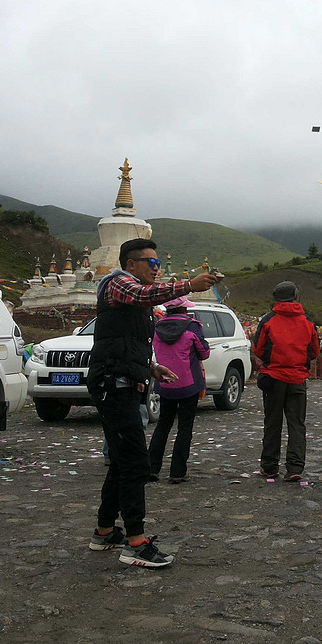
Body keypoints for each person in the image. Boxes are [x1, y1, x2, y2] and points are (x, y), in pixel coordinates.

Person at [86, 239, 221, 569]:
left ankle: (104, 531)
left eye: (159, 263)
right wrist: (188, 285)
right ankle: (136, 541)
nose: (156, 268)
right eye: (151, 263)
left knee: (122, 459)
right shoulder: (118, 282)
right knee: (135, 462)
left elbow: (123, 341)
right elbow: (145, 295)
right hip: (112, 384)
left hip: (126, 381)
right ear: (131, 264)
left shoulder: (136, 299)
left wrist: (149, 368)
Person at [251, 281, 320, 482]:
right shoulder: (307, 321)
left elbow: (259, 349)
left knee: (272, 423)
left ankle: (270, 467)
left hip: (273, 379)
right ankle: (295, 467)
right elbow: (315, 351)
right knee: (296, 423)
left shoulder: (268, 320)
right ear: (295, 296)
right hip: (298, 379)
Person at [147, 297, 210, 484]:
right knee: (185, 427)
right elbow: (204, 353)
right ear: (184, 308)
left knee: (163, 425)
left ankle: (152, 467)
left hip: (165, 383)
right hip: (189, 384)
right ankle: (177, 472)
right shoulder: (192, 327)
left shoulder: (157, 327)